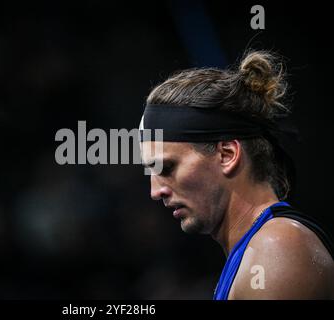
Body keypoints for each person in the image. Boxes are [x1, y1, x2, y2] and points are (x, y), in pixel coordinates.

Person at [139, 50, 334, 299]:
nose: (155, 191)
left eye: (167, 168)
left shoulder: (277, 247)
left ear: (227, 154)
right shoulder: (256, 250)